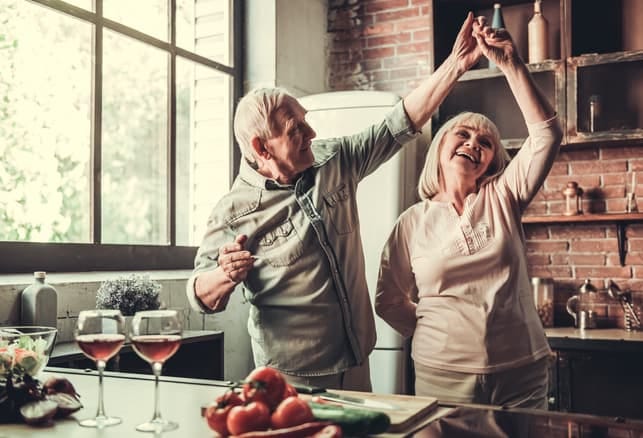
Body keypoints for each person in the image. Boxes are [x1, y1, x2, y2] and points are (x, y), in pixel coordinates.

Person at [186, 12, 483, 391]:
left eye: (306, 121)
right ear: (262, 148)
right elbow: (198, 296)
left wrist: (455, 64)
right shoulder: (232, 211)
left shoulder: (334, 159)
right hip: (292, 377)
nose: (312, 132)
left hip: (357, 359)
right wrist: (224, 275)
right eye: (297, 129)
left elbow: (398, 122)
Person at [375, 19, 563, 407]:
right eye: (462, 134)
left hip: (520, 372)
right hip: (440, 375)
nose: (473, 143)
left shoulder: (504, 196)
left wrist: (510, 63)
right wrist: (438, 334)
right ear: (440, 147)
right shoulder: (411, 222)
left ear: (493, 161)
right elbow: (389, 301)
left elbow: (546, 134)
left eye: (486, 142)